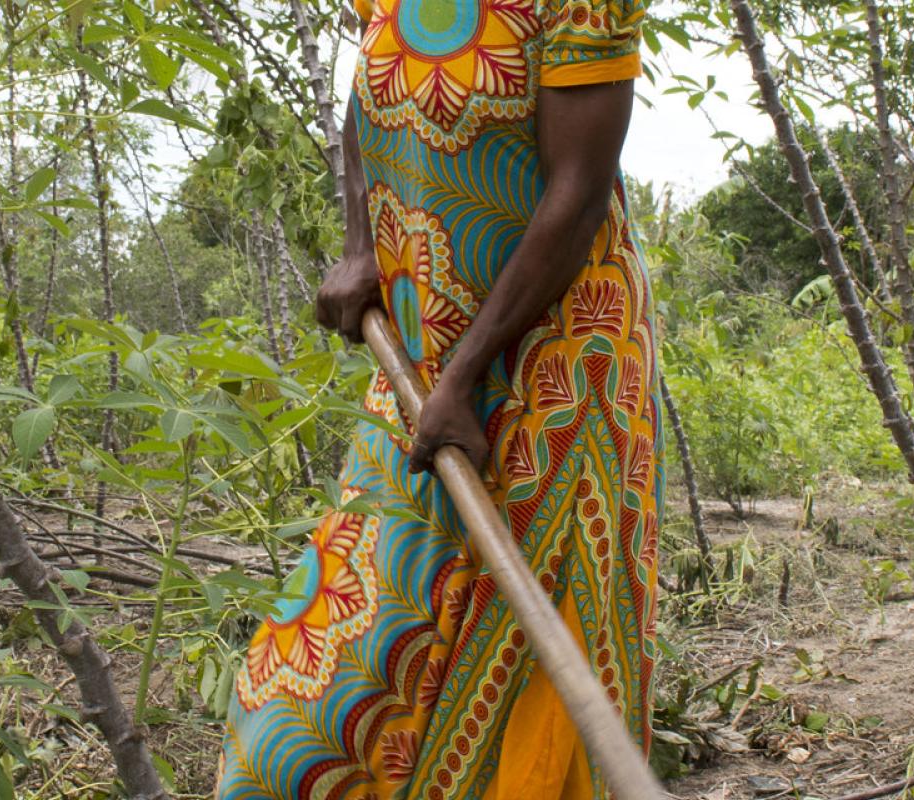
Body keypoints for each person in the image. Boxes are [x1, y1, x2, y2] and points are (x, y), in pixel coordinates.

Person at [218, 0, 658, 796]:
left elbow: (579, 192)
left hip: (552, 368)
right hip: (421, 363)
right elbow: (370, 100)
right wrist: (359, 248)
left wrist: (464, 376)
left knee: (520, 668)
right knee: (295, 711)